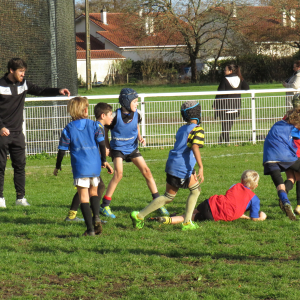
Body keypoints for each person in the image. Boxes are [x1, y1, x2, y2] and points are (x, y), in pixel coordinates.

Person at [0, 58, 70, 208]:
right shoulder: (0, 85)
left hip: (18, 134)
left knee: (20, 166)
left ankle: (20, 198)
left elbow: (41, 90)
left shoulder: (24, 84)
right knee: (1, 166)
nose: (23, 74)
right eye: (20, 71)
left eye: (24, 72)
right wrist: (0, 126)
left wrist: (58, 91)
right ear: (11, 71)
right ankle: (0, 198)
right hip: (2, 134)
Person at [130, 100, 204, 231]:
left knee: (186, 192)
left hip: (173, 164)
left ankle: (186, 222)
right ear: (198, 113)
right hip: (181, 167)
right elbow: (194, 146)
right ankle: (140, 215)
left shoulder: (182, 129)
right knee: (179, 195)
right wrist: (201, 167)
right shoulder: (198, 129)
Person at [101, 88, 169, 218]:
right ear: (126, 102)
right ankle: (104, 206)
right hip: (118, 149)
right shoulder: (115, 116)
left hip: (132, 148)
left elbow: (136, 125)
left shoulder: (138, 114)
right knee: (118, 174)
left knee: (147, 172)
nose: (137, 104)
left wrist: (139, 136)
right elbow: (105, 129)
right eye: (135, 101)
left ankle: (158, 203)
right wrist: (107, 146)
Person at [54, 97, 113, 236]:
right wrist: (103, 160)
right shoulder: (94, 125)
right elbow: (102, 144)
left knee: (84, 197)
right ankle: (96, 217)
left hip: (80, 167)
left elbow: (62, 150)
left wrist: (57, 166)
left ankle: (90, 229)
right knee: (94, 193)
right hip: (94, 166)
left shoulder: (68, 128)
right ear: (86, 110)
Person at [150, 170, 266, 225]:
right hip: (214, 215)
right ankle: (168, 220)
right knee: (191, 218)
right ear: (255, 186)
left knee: (190, 214)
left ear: (241, 180)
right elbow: (254, 219)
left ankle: (171, 218)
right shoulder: (255, 199)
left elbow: (232, 202)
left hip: (211, 203)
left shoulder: (235, 186)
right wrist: (262, 217)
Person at [64, 102, 114, 222]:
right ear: (103, 116)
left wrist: (104, 162)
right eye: (111, 115)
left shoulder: (96, 126)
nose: (112, 117)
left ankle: (79, 215)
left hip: (91, 164)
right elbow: (93, 147)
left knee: (88, 188)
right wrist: (104, 157)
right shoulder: (96, 126)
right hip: (88, 164)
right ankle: (93, 216)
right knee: (93, 189)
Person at [263, 108, 300, 221]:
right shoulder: (292, 129)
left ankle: (285, 201)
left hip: (268, 158)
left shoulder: (278, 123)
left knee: (280, 183)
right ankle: (299, 205)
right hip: (285, 156)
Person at [212, 63, 249, 144]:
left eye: (225, 70)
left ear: (230, 71)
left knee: (225, 126)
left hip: (225, 106)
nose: (224, 71)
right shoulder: (239, 78)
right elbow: (247, 87)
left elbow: (220, 93)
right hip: (236, 105)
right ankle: (222, 142)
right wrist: (241, 79)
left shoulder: (225, 79)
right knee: (228, 126)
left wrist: (215, 104)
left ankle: (225, 142)